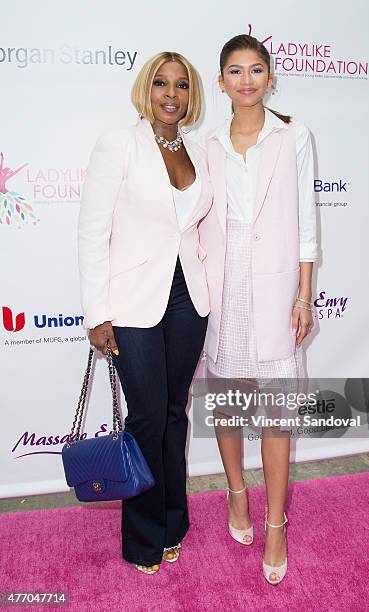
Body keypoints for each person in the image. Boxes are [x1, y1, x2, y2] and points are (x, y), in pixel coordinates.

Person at [78, 51, 212, 575]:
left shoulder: (197, 149)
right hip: (132, 300)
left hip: (188, 298)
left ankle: (173, 522)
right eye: (161, 83)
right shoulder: (120, 143)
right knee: (148, 416)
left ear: (191, 94)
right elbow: (93, 231)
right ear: (146, 88)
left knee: (175, 414)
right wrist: (97, 312)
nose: (171, 94)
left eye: (180, 85)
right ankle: (142, 538)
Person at [198, 34, 318, 585]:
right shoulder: (207, 144)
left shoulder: (293, 136)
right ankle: (236, 494)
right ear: (221, 81)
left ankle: (275, 524)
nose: (246, 80)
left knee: (273, 410)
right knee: (225, 401)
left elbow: (307, 225)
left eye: (255, 70)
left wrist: (303, 293)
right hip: (222, 286)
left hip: (273, 286)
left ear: (270, 76)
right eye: (234, 71)